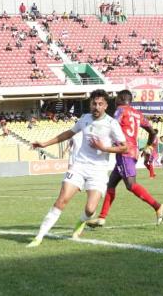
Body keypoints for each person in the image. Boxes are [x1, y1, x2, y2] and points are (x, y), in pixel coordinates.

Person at [26, 89, 128, 247]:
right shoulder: (85, 118)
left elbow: (124, 148)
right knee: (62, 200)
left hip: (98, 171)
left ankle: (81, 223)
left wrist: (105, 148)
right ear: (90, 104)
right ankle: (38, 237)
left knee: (90, 209)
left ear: (106, 106)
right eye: (94, 103)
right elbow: (68, 133)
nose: (96, 106)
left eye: (100, 104)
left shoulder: (111, 124)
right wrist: (44, 144)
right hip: (79, 166)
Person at [86, 90, 163, 228]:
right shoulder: (138, 114)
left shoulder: (120, 110)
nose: (115, 100)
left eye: (117, 97)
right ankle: (101, 218)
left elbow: (112, 124)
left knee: (131, 185)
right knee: (111, 184)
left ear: (122, 98)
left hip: (124, 152)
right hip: (133, 151)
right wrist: (148, 145)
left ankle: (158, 206)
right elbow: (152, 131)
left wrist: (102, 141)